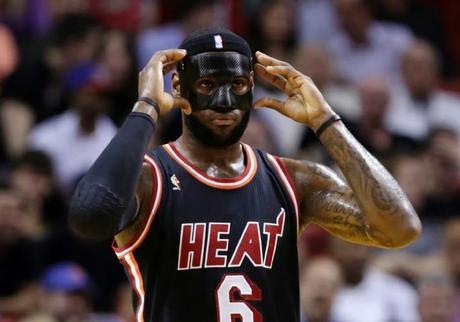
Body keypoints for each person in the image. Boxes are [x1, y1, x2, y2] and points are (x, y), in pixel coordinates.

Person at [69, 27, 422, 322]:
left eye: (237, 85)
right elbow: (90, 216)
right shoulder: (150, 177)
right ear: (178, 87)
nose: (224, 102)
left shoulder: (293, 179)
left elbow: (399, 229)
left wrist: (325, 121)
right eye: (207, 85)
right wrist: (146, 106)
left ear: (252, 87)